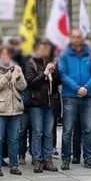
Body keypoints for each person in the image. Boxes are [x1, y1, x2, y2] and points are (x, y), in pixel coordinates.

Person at [58, 29, 91, 170]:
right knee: (67, 130)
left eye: (79, 37)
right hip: (70, 96)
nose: (77, 39)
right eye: (74, 37)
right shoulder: (64, 55)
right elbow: (62, 74)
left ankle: (88, 158)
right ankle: (65, 159)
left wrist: (85, 88)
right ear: (70, 38)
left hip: (87, 96)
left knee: (87, 129)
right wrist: (77, 88)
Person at [0, 46, 27, 176]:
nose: (6, 57)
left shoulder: (16, 68)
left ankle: (14, 164)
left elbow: (23, 87)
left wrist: (19, 76)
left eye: (8, 54)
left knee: (14, 138)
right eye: (3, 54)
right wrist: (8, 76)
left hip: (15, 109)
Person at [24, 40, 59, 173]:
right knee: (37, 132)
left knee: (49, 133)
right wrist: (44, 73)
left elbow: (57, 82)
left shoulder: (50, 63)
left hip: (49, 102)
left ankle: (48, 159)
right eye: (42, 48)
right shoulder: (30, 63)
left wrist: (54, 72)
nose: (45, 51)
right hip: (35, 103)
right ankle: (37, 159)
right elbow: (31, 83)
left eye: (47, 48)